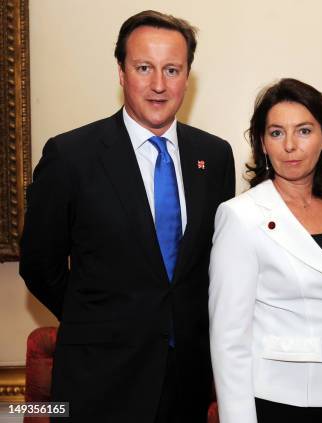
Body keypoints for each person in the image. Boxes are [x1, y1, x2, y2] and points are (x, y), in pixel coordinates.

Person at [19, 10, 235, 422]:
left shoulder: (214, 156)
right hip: (99, 381)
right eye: (143, 68)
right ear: (121, 72)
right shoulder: (70, 157)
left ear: (188, 76)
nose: (158, 84)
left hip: (186, 382)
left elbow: (212, 266)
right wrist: (99, 322)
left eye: (172, 69)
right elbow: (39, 265)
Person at [209, 78, 322, 423]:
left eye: (304, 131)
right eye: (276, 133)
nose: (290, 145)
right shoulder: (240, 217)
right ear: (262, 143)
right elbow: (229, 340)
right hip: (286, 402)